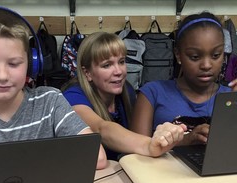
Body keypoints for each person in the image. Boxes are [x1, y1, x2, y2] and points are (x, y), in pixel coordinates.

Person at [0, 6, 107, 170]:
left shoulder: (50, 101)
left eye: (14, 63)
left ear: (32, 63)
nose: (2, 75)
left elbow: (98, 157)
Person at [62, 32, 186, 161]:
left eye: (121, 62)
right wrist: (149, 145)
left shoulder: (126, 90)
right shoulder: (73, 96)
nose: (119, 71)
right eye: (107, 65)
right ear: (87, 73)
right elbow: (101, 128)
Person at [131, 11, 231, 146]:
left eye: (215, 55)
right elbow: (135, 152)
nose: (206, 65)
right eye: (195, 57)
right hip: (162, 167)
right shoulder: (152, 93)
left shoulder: (231, 96)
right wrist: (186, 140)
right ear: (178, 55)